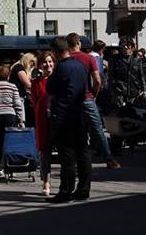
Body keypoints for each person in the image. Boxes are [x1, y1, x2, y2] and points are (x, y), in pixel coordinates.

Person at [46, 36, 92, 204]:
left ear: (56, 52)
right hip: (79, 112)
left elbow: (50, 88)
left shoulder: (61, 68)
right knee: (83, 153)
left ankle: (65, 191)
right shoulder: (81, 66)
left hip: (63, 115)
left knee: (67, 156)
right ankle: (84, 189)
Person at [66, 33, 119, 169]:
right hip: (87, 97)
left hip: (71, 100)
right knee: (97, 128)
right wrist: (94, 94)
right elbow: (97, 80)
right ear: (78, 43)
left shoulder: (65, 59)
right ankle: (108, 158)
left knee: (75, 129)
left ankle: (76, 158)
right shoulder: (88, 58)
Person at [30, 51, 55, 196]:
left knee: (64, 151)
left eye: (50, 61)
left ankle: (67, 182)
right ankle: (46, 181)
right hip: (43, 119)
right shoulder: (36, 82)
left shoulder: (59, 79)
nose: (48, 64)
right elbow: (34, 101)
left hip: (58, 119)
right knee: (44, 152)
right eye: (45, 62)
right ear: (40, 65)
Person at [10, 53, 36, 128]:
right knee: (21, 121)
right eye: (32, 63)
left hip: (17, 97)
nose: (33, 65)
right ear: (28, 61)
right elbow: (28, 84)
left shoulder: (16, 67)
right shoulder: (19, 68)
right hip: (18, 97)